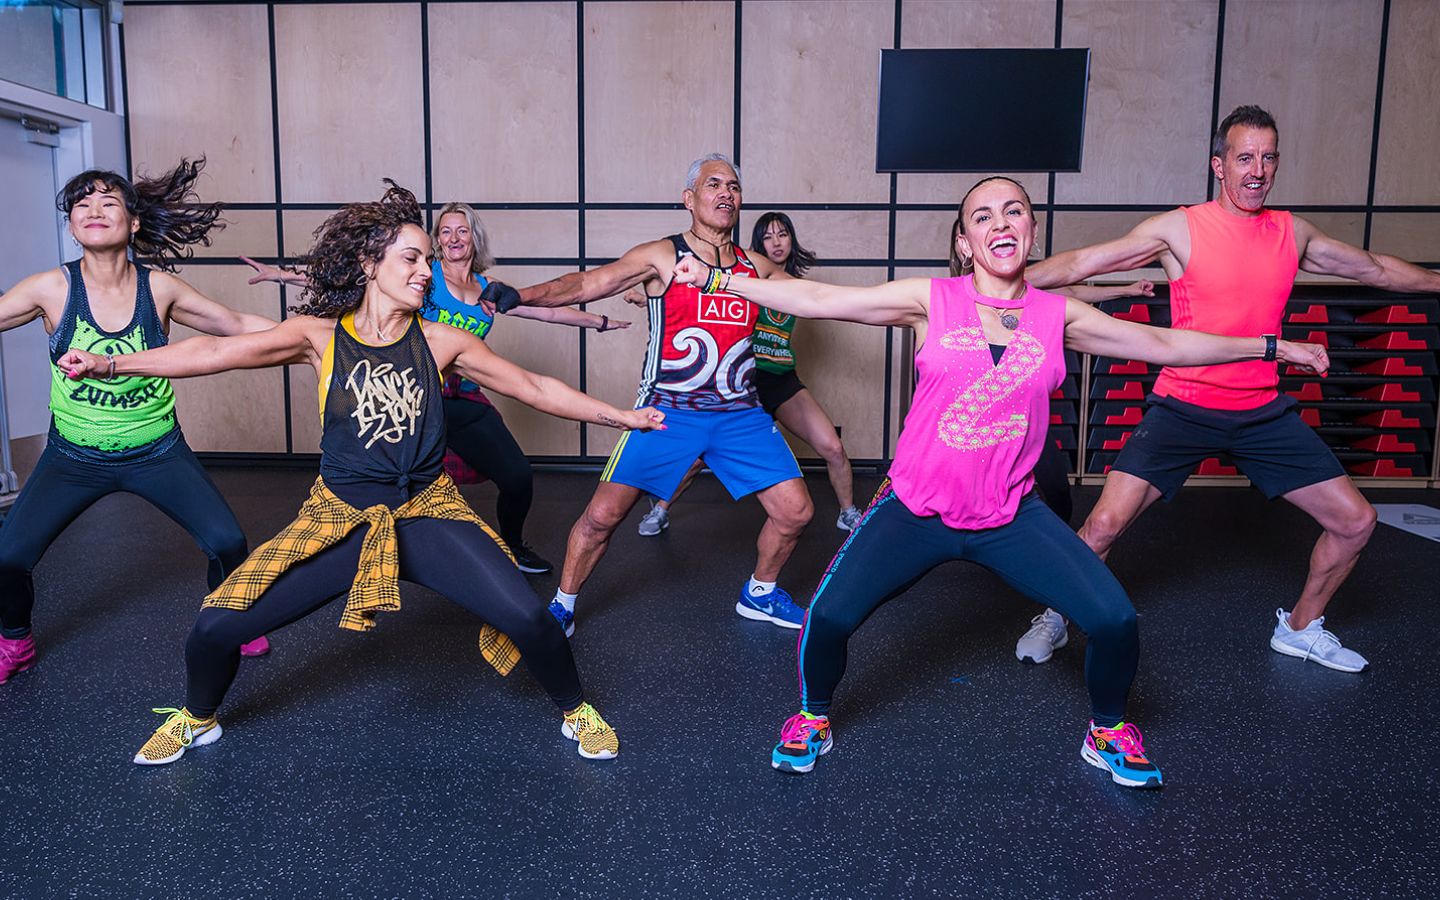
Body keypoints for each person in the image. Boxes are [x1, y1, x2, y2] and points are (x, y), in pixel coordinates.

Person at [672, 175, 1329, 786]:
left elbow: (1169, 344)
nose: (1000, 222)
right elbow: (818, 297)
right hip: (916, 508)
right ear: (966, 241)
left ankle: (1106, 731)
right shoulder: (932, 300)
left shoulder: (1058, 316)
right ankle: (813, 715)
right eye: (982, 216)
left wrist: (1273, 348)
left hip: (1009, 516)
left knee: (1116, 619)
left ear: (1031, 229)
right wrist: (720, 281)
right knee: (828, 616)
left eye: (1013, 210)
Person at [60, 183, 663, 764]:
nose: (426, 271)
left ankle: (575, 707)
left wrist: (620, 416)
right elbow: (212, 353)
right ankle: (198, 717)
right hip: (338, 519)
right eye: (411, 258)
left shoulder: (444, 341)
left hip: (427, 514)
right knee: (215, 628)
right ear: (369, 263)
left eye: (428, 260)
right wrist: (111, 363)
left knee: (530, 617)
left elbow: (533, 386)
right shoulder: (318, 338)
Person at [1014, 105, 1440, 672]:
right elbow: (1083, 263)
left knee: (1356, 521)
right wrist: (986, 287)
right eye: (1244, 157)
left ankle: (1301, 626)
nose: (1257, 170)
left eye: (1267, 158)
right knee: (1103, 525)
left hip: (1262, 410)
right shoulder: (1179, 229)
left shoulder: (1293, 232)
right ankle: (1056, 615)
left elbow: (1377, 270)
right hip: (1182, 404)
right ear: (1219, 165)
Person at [511, 154, 815, 637]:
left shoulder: (754, 266)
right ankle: (563, 606)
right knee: (601, 517)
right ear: (689, 199)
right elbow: (590, 283)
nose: (726, 194)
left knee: (796, 511)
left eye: (734, 186)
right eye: (714, 184)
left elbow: (813, 299)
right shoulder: (662, 256)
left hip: (741, 414)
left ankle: (760, 592)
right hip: (667, 412)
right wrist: (521, 295)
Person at [0, 159, 277, 686]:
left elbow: (237, 327)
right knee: (7, 556)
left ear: (133, 224)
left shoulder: (161, 290)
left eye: (108, 203)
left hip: (156, 451)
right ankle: (15, 639)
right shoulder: (50, 289)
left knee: (226, 542)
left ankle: (230, 622)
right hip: (72, 456)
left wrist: (318, 340)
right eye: (82, 204)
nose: (93, 210)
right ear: (72, 226)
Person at [245, 201, 630, 575]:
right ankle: (378, 552)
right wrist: (281, 274)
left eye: (462, 230)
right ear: (437, 242)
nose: (453, 237)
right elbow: (357, 275)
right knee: (403, 483)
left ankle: (513, 546)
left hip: (461, 397)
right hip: (411, 399)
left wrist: (600, 321)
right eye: (445, 231)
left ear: (474, 239)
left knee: (517, 476)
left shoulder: (489, 289)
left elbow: (544, 309)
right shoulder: (421, 277)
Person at [633, 211, 863, 537]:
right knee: (697, 459)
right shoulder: (739, 277)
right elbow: (694, 299)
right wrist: (647, 300)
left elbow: (822, 298)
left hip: (781, 380)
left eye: (782, 234)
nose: (776, 242)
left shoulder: (794, 286)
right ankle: (660, 510)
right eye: (768, 236)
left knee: (833, 448)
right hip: (741, 385)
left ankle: (848, 513)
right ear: (759, 244)